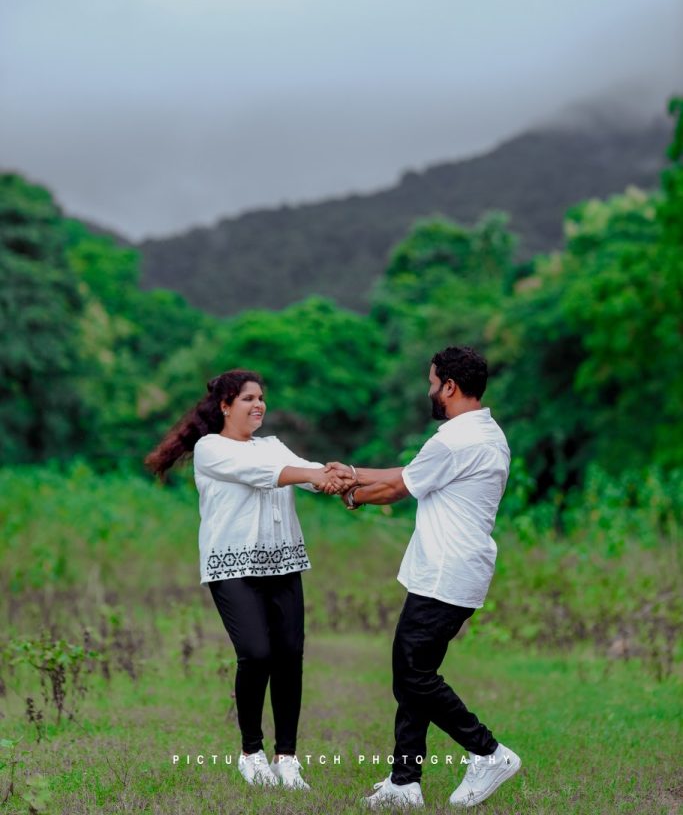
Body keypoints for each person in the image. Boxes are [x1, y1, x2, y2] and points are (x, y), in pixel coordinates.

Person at [326, 346, 521, 809]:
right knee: (417, 672)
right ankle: (404, 782)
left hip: (444, 572)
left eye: (433, 382)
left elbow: (398, 487)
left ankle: (487, 751)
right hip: (458, 571)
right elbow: (414, 474)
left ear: (450, 386)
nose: (430, 390)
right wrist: (352, 474)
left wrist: (350, 494)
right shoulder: (486, 433)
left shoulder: (455, 439)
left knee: (412, 675)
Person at [145, 368, 353, 791]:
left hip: (283, 563)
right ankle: (251, 752)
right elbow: (266, 473)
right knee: (257, 654)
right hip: (232, 567)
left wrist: (346, 478)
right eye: (247, 398)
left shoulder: (273, 445)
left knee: (289, 655)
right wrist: (312, 475)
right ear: (225, 406)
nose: (258, 404)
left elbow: (305, 469)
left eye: (261, 397)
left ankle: (287, 758)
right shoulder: (210, 449)